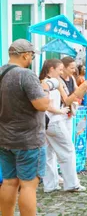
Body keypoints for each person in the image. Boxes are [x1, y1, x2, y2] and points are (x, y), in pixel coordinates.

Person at [0, 40, 50, 216]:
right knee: (28, 185)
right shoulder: (26, 75)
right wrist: (46, 92)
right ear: (25, 55)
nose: (32, 58)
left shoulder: (1, 72)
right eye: (32, 55)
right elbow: (42, 104)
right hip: (29, 140)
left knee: (8, 182)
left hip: (5, 138)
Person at [40, 59, 87, 193]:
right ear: (51, 69)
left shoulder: (54, 82)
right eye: (60, 69)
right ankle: (71, 183)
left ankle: (50, 185)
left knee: (49, 153)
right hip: (54, 121)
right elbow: (46, 104)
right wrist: (59, 111)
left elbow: (66, 99)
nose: (61, 72)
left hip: (48, 122)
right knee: (67, 150)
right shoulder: (45, 83)